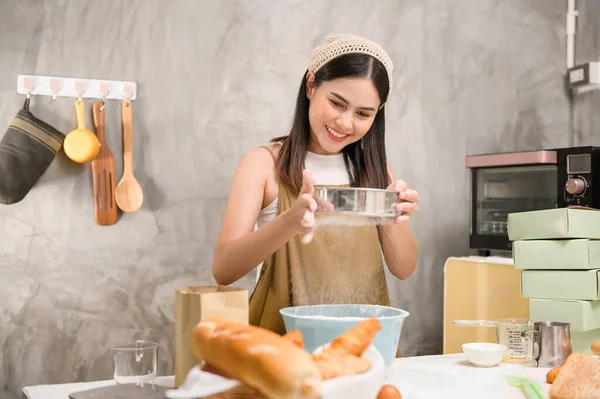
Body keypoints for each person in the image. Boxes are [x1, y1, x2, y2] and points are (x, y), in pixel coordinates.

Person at [212, 34, 419, 335]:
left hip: (362, 350)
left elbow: (404, 268)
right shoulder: (262, 164)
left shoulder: (376, 172)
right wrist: (290, 222)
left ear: (379, 111)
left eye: (363, 113)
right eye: (336, 103)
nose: (345, 123)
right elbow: (223, 270)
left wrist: (394, 215)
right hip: (282, 349)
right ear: (311, 85)